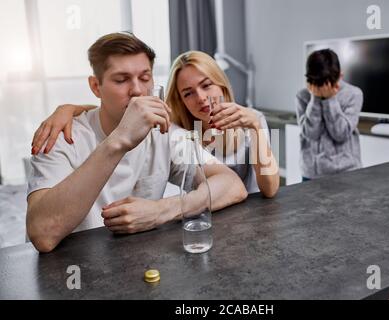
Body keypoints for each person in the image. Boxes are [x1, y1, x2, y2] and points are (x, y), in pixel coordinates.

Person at [26, 32, 248, 253]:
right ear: (95, 87)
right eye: (121, 80)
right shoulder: (60, 134)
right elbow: (42, 233)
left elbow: (232, 186)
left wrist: (161, 211)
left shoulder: (165, 133)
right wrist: (119, 140)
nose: (138, 91)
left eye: (144, 78)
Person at [31, 51, 279, 198]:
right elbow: (123, 111)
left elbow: (269, 190)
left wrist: (257, 128)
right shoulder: (179, 128)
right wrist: (69, 109)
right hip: (203, 222)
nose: (201, 98)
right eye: (188, 93)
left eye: (206, 85)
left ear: (221, 84)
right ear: (180, 100)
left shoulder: (252, 120)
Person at [295, 49, 363, 181]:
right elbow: (311, 134)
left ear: (340, 76)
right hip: (312, 174)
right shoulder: (302, 96)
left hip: (347, 171)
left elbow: (341, 134)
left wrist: (330, 100)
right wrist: (315, 98)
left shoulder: (354, 94)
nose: (323, 88)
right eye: (318, 84)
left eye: (326, 83)